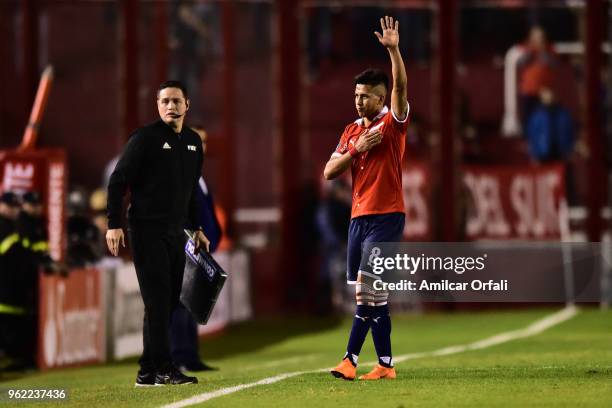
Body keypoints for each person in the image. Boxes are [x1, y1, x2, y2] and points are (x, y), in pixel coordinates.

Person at [106, 80, 210, 387]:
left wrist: (198, 227)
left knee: (166, 302)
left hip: (176, 232)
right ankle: (164, 368)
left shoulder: (193, 141)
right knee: (157, 301)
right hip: (146, 230)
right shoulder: (145, 138)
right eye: (164, 101)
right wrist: (113, 224)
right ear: (157, 105)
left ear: (187, 105)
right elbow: (117, 181)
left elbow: (190, 191)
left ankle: (147, 371)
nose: (170, 106)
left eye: (176, 101)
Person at [323, 16, 409, 381]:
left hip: (387, 214)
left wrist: (393, 50)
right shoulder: (352, 131)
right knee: (373, 296)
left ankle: (349, 360)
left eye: (365, 96)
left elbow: (401, 87)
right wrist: (356, 149)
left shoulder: (392, 124)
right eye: (355, 95)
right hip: (358, 218)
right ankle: (386, 364)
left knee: (364, 292)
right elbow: (329, 172)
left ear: (379, 97)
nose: (358, 101)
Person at [170, 126, 221, 372]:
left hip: (200, 249)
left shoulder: (197, 174)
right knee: (180, 303)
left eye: (205, 141)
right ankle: (178, 356)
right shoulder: (180, 173)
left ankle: (190, 356)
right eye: (198, 141)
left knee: (191, 302)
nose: (203, 146)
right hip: (185, 247)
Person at [518, 26, 556, 130]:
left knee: (544, 117)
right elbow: (521, 62)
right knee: (527, 116)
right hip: (528, 90)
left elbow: (553, 64)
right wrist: (531, 50)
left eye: (541, 37)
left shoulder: (549, 49)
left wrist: (543, 51)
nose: (538, 39)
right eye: (536, 37)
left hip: (544, 90)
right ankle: (527, 137)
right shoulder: (526, 47)